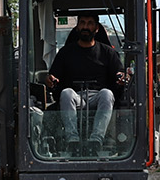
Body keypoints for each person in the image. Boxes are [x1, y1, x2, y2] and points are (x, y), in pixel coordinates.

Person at [45, 20, 129, 152]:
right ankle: (72, 140)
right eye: (82, 23)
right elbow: (53, 76)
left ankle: (96, 140)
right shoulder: (65, 52)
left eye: (90, 24)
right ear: (77, 27)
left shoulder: (108, 52)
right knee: (66, 92)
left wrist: (122, 77)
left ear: (96, 28)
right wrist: (51, 79)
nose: (85, 27)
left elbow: (119, 73)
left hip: (98, 98)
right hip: (75, 97)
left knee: (107, 93)